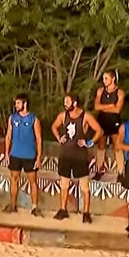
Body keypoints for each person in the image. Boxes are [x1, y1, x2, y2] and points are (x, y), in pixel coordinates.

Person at [51, 94, 103, 223]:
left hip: (80, 155)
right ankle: (63, 209)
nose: (65, 104)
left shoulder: (86, 116)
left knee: (84, 185)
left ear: (74, 103)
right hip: (65, 154)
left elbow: (99, 131)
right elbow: (54, 127)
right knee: (64, 183)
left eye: (67, 102)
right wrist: (59, 138)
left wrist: (89, 142)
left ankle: (86, 212)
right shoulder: (63, 116)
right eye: (64, 101)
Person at [3, 94, 43, 216]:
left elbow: (39, 139)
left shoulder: (33, 119)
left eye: (18, 103)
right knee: (14, 179)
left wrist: (38, 157)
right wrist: (6, 153)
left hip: (29, 155)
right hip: (15, 154)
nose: (16, 105)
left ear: (25, 104)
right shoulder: (12, 118)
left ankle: (34, 207)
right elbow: (8, 136)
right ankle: (12, 205)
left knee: (33, 181)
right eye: (15, 103)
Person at [93, 69, 125, 180]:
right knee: (101, 145)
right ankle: (99, 170)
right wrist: (110, 106)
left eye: (106, 78)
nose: (104, 81)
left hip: (114, 121)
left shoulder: (119, 92)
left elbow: (117, 109)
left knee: (117, 145)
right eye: (103, 78)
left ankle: (121, 172)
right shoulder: (100, 91)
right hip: (102, 120)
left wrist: (104, 108)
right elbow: (96, 107)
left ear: (113, 79)